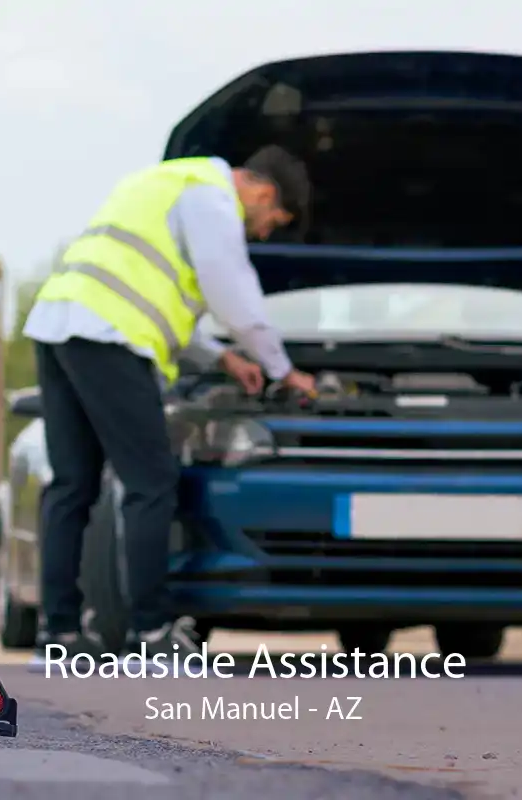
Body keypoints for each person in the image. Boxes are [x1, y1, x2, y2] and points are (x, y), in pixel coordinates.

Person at [21, 146, 319, 660]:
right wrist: (282, 368)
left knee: (72, 484)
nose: (265, 232)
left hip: (60, 327)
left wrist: (222, 358)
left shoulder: (169, 182)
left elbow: (152, 291)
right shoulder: (212, 199)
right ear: (264, 193)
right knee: (152, 481)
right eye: (274, 221)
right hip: (108, 338)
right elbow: (231, 290)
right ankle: (152, 630)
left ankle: (61, 631)